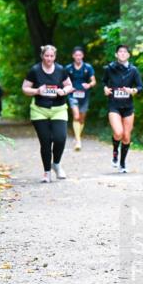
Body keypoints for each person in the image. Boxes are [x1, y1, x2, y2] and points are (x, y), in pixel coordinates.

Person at [22, 45, 74, 182]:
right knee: (45, 141)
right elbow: (25, 88)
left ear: (55, 57)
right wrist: (37, 91)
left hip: (59, 108)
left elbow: (69, 86)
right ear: (42, 56)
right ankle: (46, 172)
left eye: (51, 56)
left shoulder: (60, 70)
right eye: (46, 56)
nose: (49, 58)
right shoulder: (35, 70)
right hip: (39, 110)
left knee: (60, 138)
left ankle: (56, 164)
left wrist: (64, 91)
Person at [103, 44, 143, 173]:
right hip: (114, 105)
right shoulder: (109, 68)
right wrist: (105, 88)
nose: (122, 54)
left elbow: (140, 87)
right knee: (118, 133)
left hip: (128, 107)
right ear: (116, 54)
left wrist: (132, 90)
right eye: (120, 52)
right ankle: (115, 151)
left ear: (128, 55)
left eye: (125, 52)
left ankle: (122, 163)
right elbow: (104, 82)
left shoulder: (133, 70)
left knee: (126, 137)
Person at [64, 47, 96, 150]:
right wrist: (67, 88)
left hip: (84, 95)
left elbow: (94, 81)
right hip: (73, 95)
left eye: (80, 55)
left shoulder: (88, 67)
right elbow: (63, 81)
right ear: (73, 56)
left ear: (83, 56)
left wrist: (89, 85)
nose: (78, 57)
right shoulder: (68, 68)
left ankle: (77, 135)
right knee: (76, 116)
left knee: (82, 118)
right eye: (76, 55)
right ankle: (78, 141)